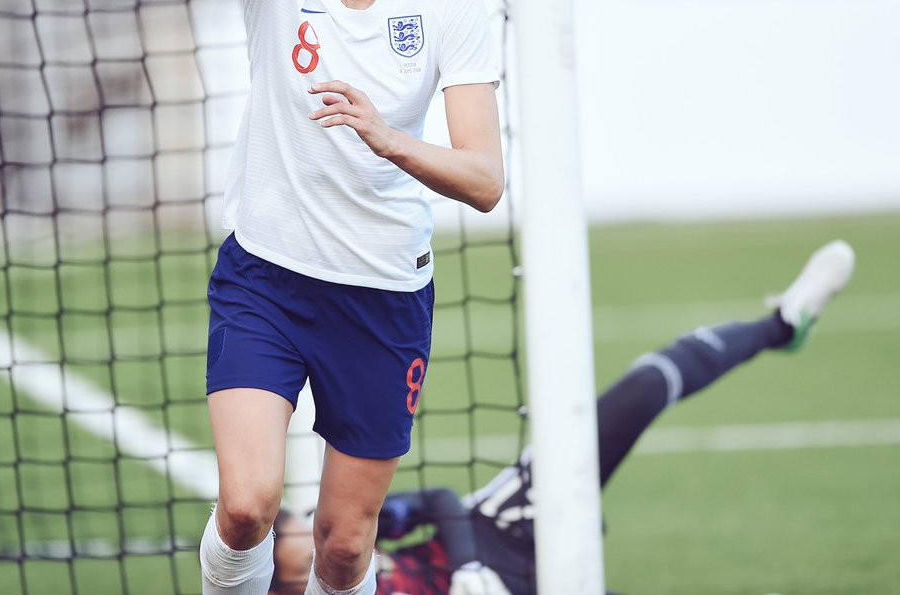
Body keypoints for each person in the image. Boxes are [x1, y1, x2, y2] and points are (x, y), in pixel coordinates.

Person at [157, 0, 506, 595]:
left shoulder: (448, 1)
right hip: (266, 277)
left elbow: (485, 181)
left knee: (343, 548)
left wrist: (388, 137)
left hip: (383, 295)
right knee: (247, 505)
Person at [266, 239, 856, 595]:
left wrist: (469, 565)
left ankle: (782, 324)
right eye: (285, 537)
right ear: (283, 580)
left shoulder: (339, 535)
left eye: (286, 524)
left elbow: (443, 500)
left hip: (509, 521)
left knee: (644, 388)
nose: (293, 526)